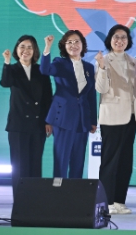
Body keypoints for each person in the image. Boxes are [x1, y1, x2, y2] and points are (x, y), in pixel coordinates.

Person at [94, 24, 136, 215]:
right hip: (112, 116)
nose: (120, 41)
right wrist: (102, 67)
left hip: (130, 116)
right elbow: (101, 88)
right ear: (110, 40)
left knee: (125, 161)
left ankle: (120, 201)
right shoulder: (104, 60)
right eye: (116, 37)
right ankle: (106, 202)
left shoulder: (134, 61)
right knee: (110, 161)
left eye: (124, 37)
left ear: (128, 41)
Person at [0, 35, 53, 196]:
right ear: (17, 50)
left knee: (35, 163)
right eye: (22, 46)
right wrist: (7, 62)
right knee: (19, 165)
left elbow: (47, 97)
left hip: (38, 124)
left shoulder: (41, 70)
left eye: (30, 47)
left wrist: (48, 121)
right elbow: (5, 83)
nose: (26, 50)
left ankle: (34, 200)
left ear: (35, 51)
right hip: (18, 125)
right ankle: (19, 200)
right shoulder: (12, 69)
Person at [41, 31, 97, 178]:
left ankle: (74, 190)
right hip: (63, 118)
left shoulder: (89, 67)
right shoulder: (60, 63)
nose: (73, 45)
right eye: (69, 42)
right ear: (64, 46)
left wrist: (93, 121)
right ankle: (58, 190)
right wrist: (47, 47)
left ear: (82, 45)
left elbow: (91, 96)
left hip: (82, 120)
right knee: (61, 160)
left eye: (77, 41)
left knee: (78, 161)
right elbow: (45, 70)